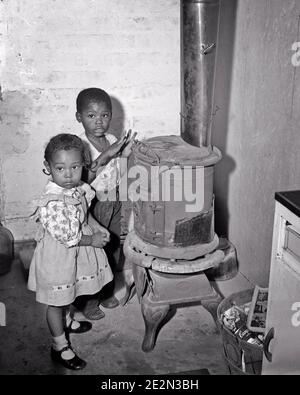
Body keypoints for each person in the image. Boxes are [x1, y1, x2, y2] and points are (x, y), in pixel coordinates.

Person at [27, 133, 112, 370]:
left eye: (74, 167)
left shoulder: (79, 187)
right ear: (48, 167)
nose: (68, 174)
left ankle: (67, 319)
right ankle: (59, 345)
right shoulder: (53, 201)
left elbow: (86, 212)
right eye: (60, 168)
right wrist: (92, 240)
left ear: (83, 165)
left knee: (70, 292)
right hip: (59, 257)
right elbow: (69, 237)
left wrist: (96, 226)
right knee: (55, 302)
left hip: (75, 254)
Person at [75, 87, 136, 320]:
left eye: (105, 115)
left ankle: (106, 291)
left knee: (112, 247)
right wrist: (108, 154)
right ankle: (89, 301)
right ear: (79, 117)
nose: (99, 122)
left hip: (114, 199)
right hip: (94, 204)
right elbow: (82, 182)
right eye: (91, 116)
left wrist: (124, 153)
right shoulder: (80, 146)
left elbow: (117, 170)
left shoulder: (111, 139)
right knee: (94, 251)